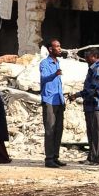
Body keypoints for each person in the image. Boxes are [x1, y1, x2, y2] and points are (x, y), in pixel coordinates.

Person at [74, 49, 99, 165]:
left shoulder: (98, 68)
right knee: (91, 132)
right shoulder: (93, 68)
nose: (86, 59)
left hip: (97, 104)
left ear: (95, 56)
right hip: (91, 105)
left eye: (88, 57)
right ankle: (92, 157)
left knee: (97, 133)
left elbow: (92, 89)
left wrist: (77, 95)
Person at [39, 39, 67, 168]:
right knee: (50, 130)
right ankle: (49, 159)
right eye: (57, 46)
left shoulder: (58, 62)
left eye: (60, 46)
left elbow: (59, 84)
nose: (60, 49)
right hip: (49, 100)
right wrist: (54, 75)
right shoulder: (44, 63)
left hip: (58, 101)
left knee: (58, 129)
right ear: (51, 49)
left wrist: (62, 99)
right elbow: (44, 78)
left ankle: (56, 156)